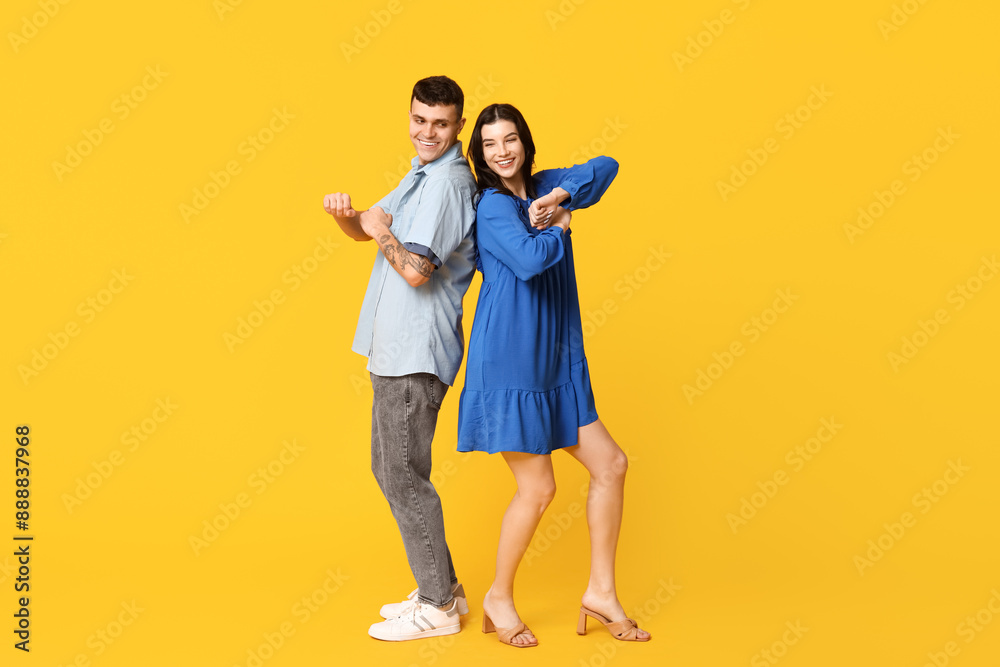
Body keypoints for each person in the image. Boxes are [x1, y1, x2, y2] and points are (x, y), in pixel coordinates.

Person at [456, 103, 651, 647]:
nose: (502, 151)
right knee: (538, 488)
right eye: (491, 143)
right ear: (481, 154)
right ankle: (498, 595)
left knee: (611, 465)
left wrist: (560, 197)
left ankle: (601, 593)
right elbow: (528, 259)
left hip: (557, 362)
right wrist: (562, 228)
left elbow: (606, 167)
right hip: (511, 363)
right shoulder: (492, 206)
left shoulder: (544, 184)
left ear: (524, 141)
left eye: (510, 138)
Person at [323, 75, 476, 642]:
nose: (427, 132)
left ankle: (437, 604)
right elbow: (368, 227)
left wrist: (382, 231)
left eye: (440, 124)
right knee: (393, 470)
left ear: (459, 125)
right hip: (394, 349)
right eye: (419, 121)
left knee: (401, 474)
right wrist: (347, 213)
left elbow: (415, 270)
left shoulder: (447, 185)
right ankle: (446, 587)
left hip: (416, 351)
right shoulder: (421, 173)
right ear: (409, 117)